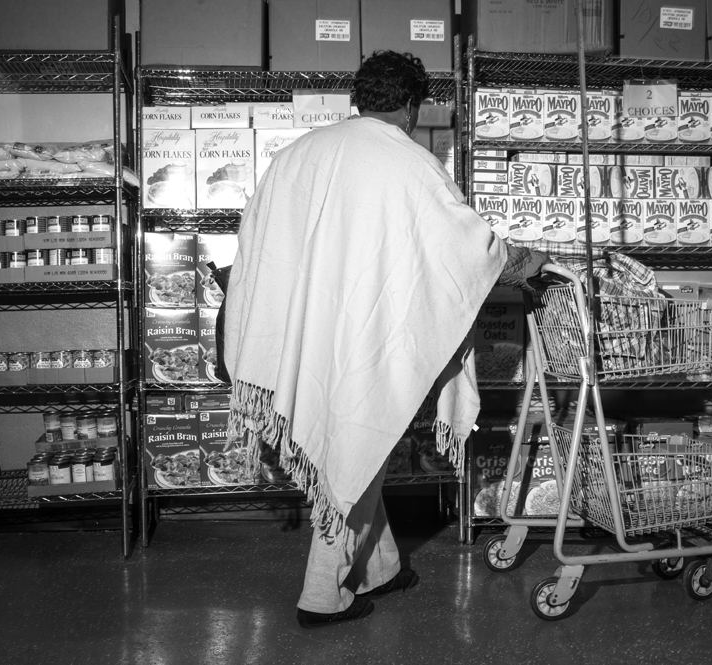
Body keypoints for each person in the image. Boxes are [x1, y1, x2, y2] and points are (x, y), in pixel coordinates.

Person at [222, 51, 547, 629]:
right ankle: (321, 594)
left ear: (360, 98)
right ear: (412, 105)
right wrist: (523, 262)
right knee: (351, 446)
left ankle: (382, 569)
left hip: (303, 336)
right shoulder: (409, 161)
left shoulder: (295, 156)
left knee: (356, 444)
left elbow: (255, 252)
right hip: (363, 336)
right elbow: (466, 249)